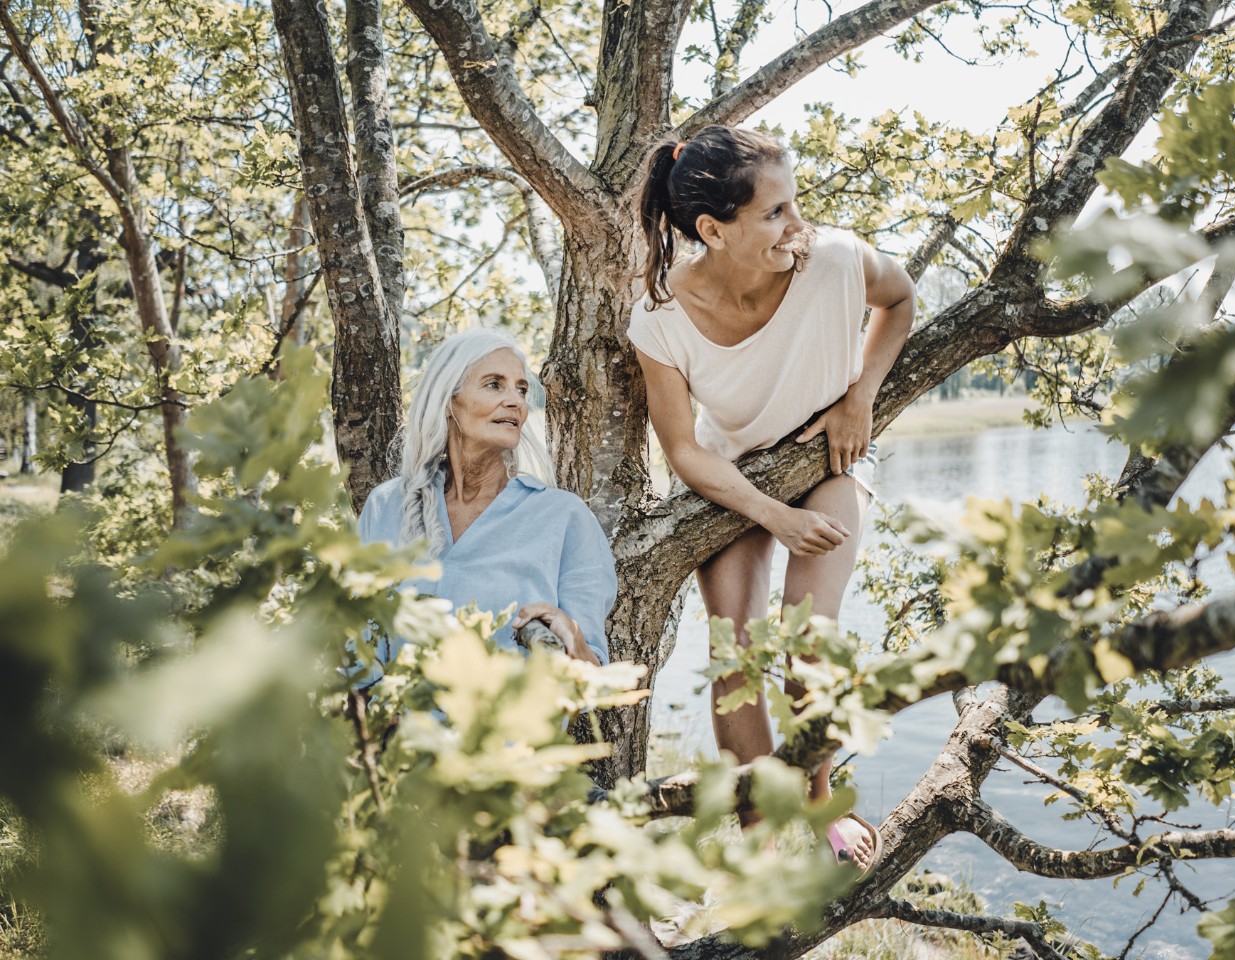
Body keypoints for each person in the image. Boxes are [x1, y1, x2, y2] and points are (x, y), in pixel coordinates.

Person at [629, 125, 915, 872]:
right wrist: (770, 514)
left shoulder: (835, 263)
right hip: (734, 482)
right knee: (736, 659)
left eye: (794, 204)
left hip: (828, 459)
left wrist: (861, 397)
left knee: (805, 648)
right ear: (712, 231)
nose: (799, 226)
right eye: (775, 213)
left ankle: (822, 810)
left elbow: (903, 299)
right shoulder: (660, 318)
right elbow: (685, 449)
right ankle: (761, 847)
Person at [356, 329, 616, 681]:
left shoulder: (564, 517)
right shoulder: (387, 506)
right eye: (494, 384)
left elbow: (592, 679)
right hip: (397, 734)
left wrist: (572, 642)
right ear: (449, 401)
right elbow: (357, 659)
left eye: (521, 389)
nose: (515, 402)